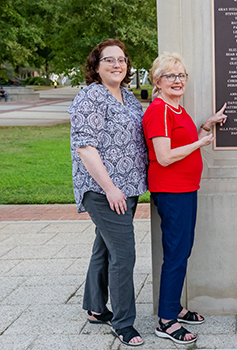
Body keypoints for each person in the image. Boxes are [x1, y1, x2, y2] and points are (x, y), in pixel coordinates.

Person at [142, 52, 227, 345]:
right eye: (170, 76)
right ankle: (166, 320)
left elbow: (184, 142)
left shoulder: (177, 109)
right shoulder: (159, 111)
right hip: (172, 190)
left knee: (183, 249)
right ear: (157, 81)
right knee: (176, 253)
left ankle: (174, 305)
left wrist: (206, 125)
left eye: (181, 76)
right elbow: (164, 157)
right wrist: (200, 142)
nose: (177, 81)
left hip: (187, 188)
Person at [68, 38, 148, 346]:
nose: (117, 64)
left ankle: (95, 308)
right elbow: (86, 148)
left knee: (104, 249)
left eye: (122, 60)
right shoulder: (91, 97)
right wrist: (111, 189)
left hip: (127, 189)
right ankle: (124, 323)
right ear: (96, 66)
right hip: (104, 191)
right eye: (109, 60)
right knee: (124, 254)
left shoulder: (128, 97)